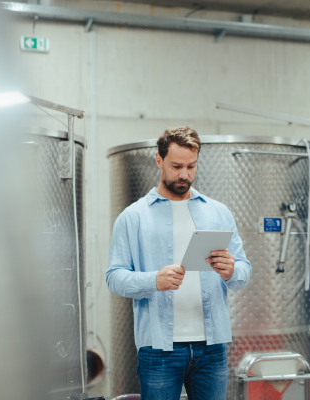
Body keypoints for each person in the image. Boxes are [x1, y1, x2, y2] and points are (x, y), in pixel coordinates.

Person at [106, 126, 251, 400]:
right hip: (158, 349)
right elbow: (114, 277)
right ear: (159, 160)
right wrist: (153, 281)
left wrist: (232, 270)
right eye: (176, 166)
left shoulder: (217, 212)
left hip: (212, 348)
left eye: (191, 166)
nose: (184, 174)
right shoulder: (133, 217)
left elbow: (243, 270)